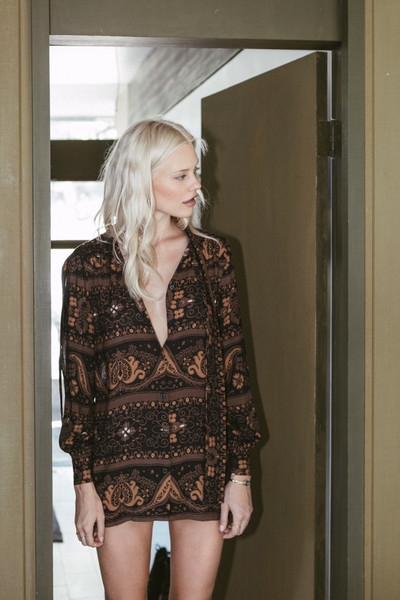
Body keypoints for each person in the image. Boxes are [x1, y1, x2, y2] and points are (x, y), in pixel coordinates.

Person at [59, 118, 261, 600]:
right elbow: (78, 388)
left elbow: (234, 372)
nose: (197, 186)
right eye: (181, 175)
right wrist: (84, 487)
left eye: (196, 172)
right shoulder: (88, 267)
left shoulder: (214, 258)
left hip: (204, 461)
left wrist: (240, 476)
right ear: (140, 178)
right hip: (119, 464)